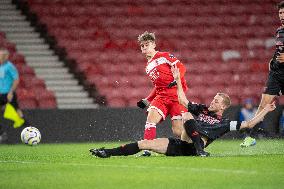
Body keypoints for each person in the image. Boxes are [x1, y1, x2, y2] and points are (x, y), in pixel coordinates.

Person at [89, 67, 276, 158]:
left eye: (217, 101)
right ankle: (107, 152)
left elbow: (249, 124)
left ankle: (199, 149)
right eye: (214, 98)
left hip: (192, 143)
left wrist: (266, 109)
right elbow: (183, 100)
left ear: (223, 107)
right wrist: (178, 81)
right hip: (182, 144)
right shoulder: (202, 109)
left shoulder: (224, 123)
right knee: (145, 143)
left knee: (186, 114)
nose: (212, 101)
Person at [136, 31, 188, 156]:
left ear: (153, 44)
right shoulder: (148, 66)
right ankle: (147, 149)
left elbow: (181, 67)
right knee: (151, 119)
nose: (144, 48)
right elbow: (157, 86)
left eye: (146, 45)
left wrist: (175, 80)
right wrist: (147, 100)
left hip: (176, 96)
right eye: (142, 46)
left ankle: (196, 143)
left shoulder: (164, 56)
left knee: (177, 131)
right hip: (161, 97)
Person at [241, 1, 284, 147]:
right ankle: (251, 136)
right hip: (277, 73)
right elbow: (279, 50)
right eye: (280, 13)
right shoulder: (279, 31)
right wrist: (272, 60)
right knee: (263, 104)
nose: (282, 15)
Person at [0, 48, 25, 143]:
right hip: (0, 94)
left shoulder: (10, 66)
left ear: (6, 56)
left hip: (8, 94)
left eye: (1, 55)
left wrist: (11, 92)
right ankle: (2, 133)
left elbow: (16, 80)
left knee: (18, 113)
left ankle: (30, 130)